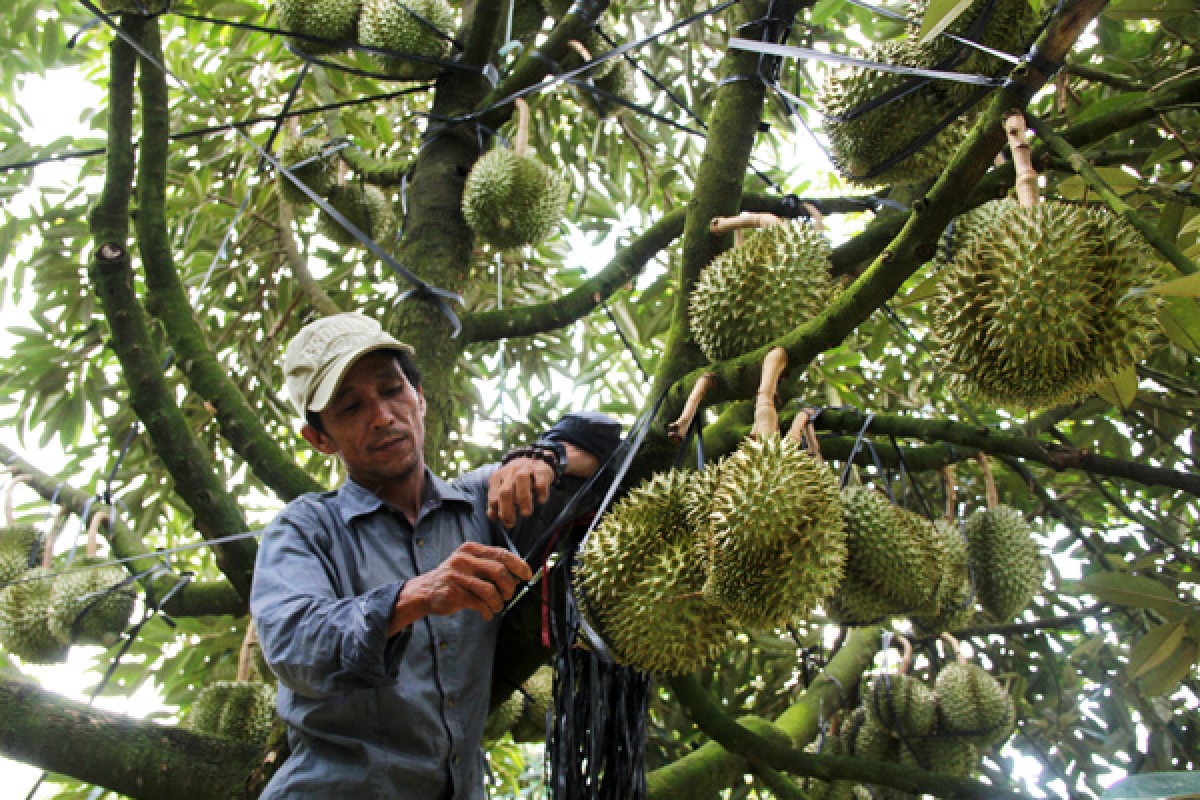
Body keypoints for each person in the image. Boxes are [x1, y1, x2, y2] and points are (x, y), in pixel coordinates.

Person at [250, 312, 621, 799]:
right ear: (319, 439)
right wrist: (416, 596)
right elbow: (295, 644)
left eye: (391, 390)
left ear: (419, 398)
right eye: (350, 408)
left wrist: (546, 454)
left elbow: (623, 454)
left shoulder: (485, 503)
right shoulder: (305, 529)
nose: (382, 416)